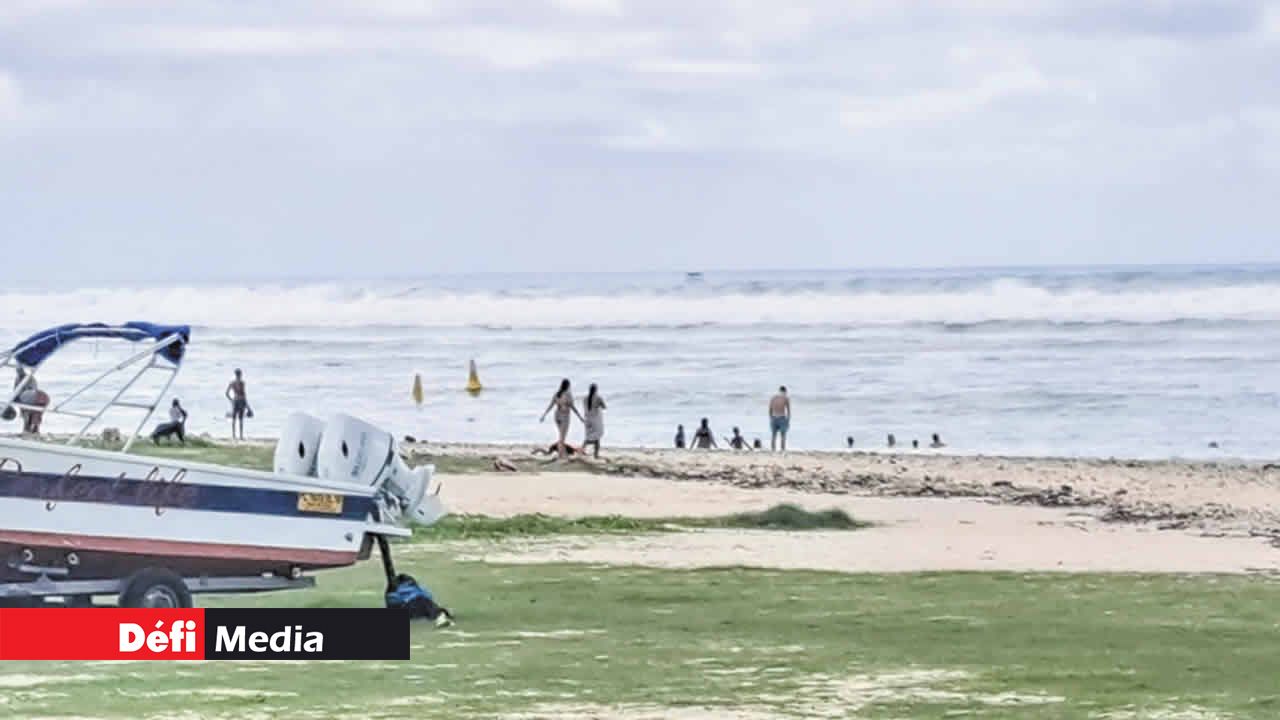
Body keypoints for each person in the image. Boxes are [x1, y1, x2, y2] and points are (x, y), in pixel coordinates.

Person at [540, 378, 583, 460]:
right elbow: (572, 407)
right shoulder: (568, 394)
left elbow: (551, 405)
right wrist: (580, 417)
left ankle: (562, 454)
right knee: (562, 438)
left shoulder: (557, 394)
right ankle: (561, 455)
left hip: (557, 415)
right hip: (564, 416)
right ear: (568, 386)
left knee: (561, 436)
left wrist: (544, 415)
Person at [13, 368, 49, 435]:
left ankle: (29, 430)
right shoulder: (26, 378)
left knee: (29, 414)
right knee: (34, 414)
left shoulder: (26, 378)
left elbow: (17, 392)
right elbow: (17, 390)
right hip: (39, 397)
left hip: (32, 397)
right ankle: (32, 430)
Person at [581, 383, 607, 459]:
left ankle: (582, 450)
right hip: (595, 420)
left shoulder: (585, 398)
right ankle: (595, 454)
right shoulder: (598, 398)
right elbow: (604, 407)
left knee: (589, 437)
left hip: (587, 420)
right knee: (596, 437)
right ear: (596, 390)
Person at [225, 369, 252, 441]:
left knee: (234, 419)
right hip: (241, 401)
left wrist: (231, 400)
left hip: (235, 401)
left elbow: (226, 393)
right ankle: (240, 436)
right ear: (240, 374)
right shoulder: (242, 383)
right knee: (240, 419)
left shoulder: (232, 383)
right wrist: (248, 406)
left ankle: (233, 436)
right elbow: (243, 394)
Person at [768, 386, 791, 451]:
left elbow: (769, 410)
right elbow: (788, 411)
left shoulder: (773, 398)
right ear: (785, 391)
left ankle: (773, 449)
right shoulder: (786, 398)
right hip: (782, 418)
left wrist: (771, 418)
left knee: (773, 435)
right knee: (783, 435)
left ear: (779, 391)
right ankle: (782, 449)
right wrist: (788, 420)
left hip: (773, 417)